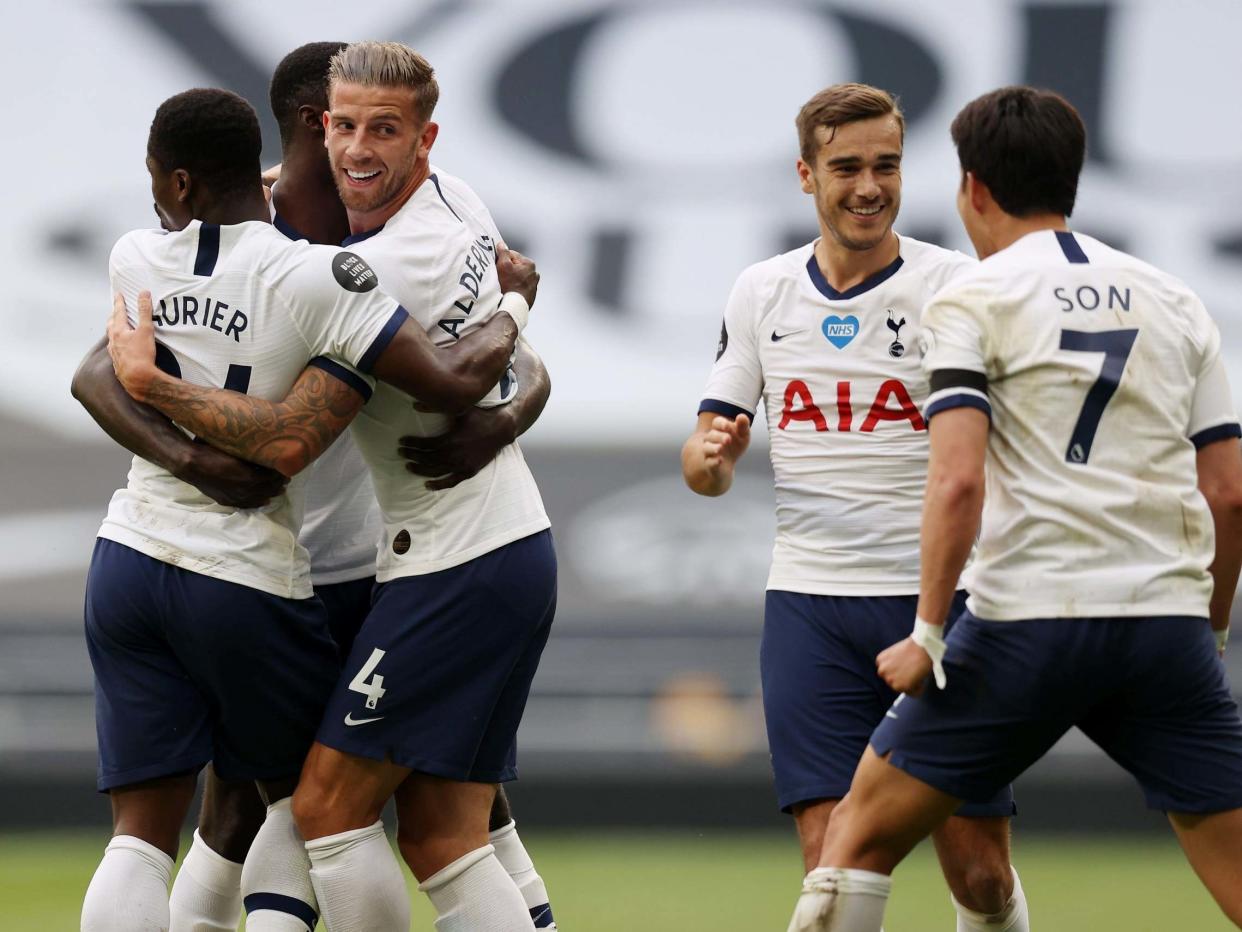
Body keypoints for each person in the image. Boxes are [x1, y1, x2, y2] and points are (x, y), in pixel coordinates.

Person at [75, 41, 557, 932]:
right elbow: (98, 371)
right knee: (370, 813)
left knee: (332, 806)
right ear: (315, 125)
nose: (361, 148)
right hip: (333, 563)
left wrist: (510, 404)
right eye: (346, 125)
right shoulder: (273, 230)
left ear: (423, 139)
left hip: (372, 560)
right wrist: (196, 455)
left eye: (386, 129)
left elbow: (299, 434)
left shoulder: (384, 250)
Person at [787, 85, 1242, 932]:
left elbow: (957, 479)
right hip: (1162, 625)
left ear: (973, 190)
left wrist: (927, 632)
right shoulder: (1176, 300)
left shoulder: (974, 299)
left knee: (852, 844)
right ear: (1071, 180)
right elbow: (1230, 491)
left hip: (1029, 623)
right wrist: (1207, 629)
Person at [681, 83, 1029, 931]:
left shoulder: (956, 286)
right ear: (807, 175)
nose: (868, 186)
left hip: (942, 606)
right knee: (829, 866)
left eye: (886, 165)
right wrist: (713, 458)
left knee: (978, 873)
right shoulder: (762, 291)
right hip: (809, 603)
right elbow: (703, 461)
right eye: (846, 168)